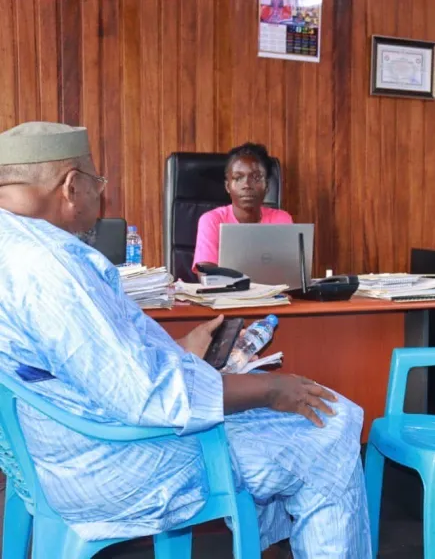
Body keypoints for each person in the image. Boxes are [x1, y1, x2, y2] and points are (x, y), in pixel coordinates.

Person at [0, 122, 370, 558]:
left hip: (60, 447)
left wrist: (178, 349)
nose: (100, 196)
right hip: (119, 462)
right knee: (331, 425)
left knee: (304, 417)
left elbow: (87, 362)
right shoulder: (51, 263)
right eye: (97, 183)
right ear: (71, 185)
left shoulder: (14, 244)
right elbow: (150, 394)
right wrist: (270, 389)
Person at [192, 142, 293, 274]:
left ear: (267, 186)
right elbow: (206, 274)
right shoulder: (212, 220)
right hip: (225, 294)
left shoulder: (282, 220)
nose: (246, 185)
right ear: (228, 186)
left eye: (256, 177)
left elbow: (290, 273)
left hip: (272, 294)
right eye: (238, 178)